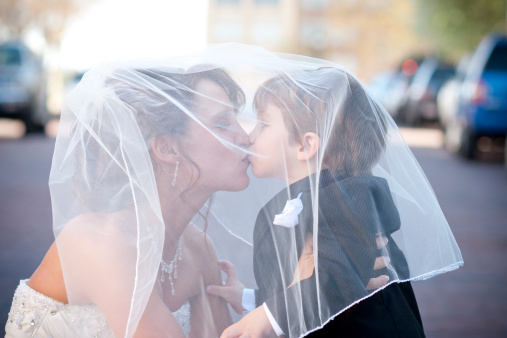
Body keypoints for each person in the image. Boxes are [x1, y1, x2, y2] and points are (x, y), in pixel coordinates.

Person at [208, 66, 462, 338]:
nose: (250, 136)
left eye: (264, 124)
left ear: (306, 146)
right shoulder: (306, 199)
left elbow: (335, 276)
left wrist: (266, 317)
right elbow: (306, 287)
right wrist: (249, 298)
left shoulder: (349, 196)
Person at [5, 63, 251, 337]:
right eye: (223, 123)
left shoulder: (198, 249)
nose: (246, 137)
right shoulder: (100, 243)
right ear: (167, 148)